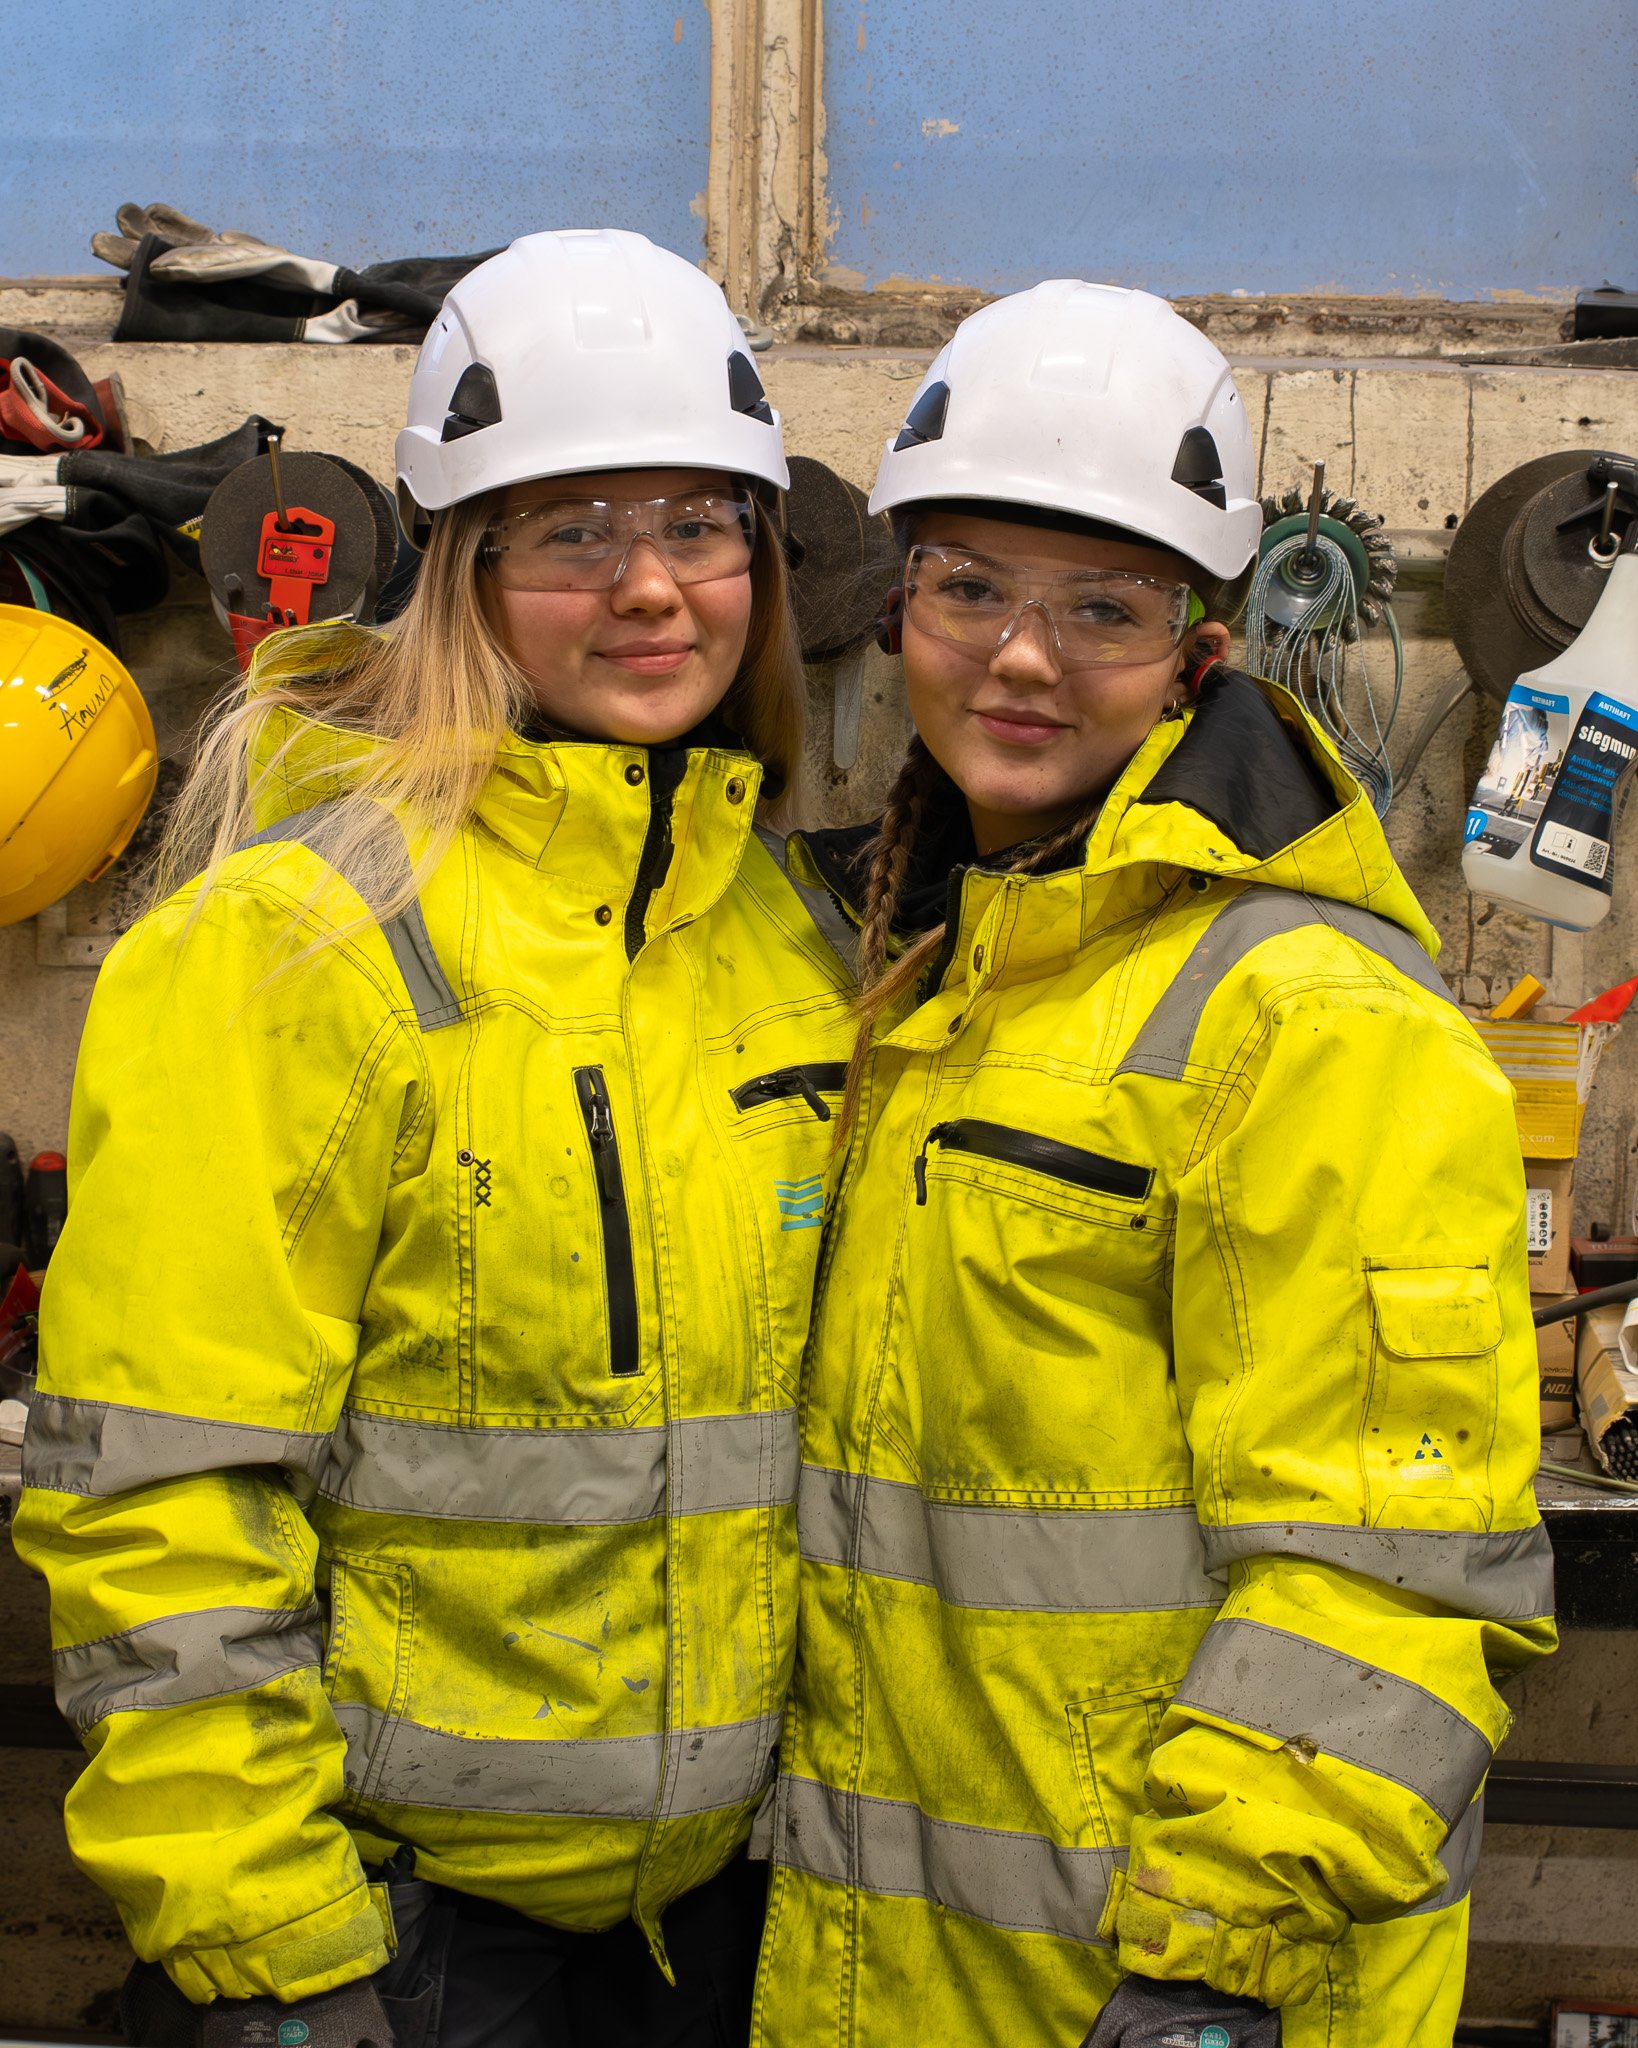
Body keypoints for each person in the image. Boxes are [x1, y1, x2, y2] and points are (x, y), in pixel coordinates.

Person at [15, 229, 857, 2048]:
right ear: (462, 565)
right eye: (572, 532)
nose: (650, 589)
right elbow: (159, 1507)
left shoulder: (787, 942)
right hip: (391, 1947)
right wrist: (275, 1948)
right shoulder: (284, 947)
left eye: (698, 524)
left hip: (717, 1931)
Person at [749, 281, 1555, 2048]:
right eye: (969, 588)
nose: (1021, 659)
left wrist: (1212, 1966)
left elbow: (1389, 1571)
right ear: (898, 614)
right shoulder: (929, 977)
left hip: (1166, 1980)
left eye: (1099, 608)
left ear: (1199, 652)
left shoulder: (1313, 1017)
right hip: (907, 1973)